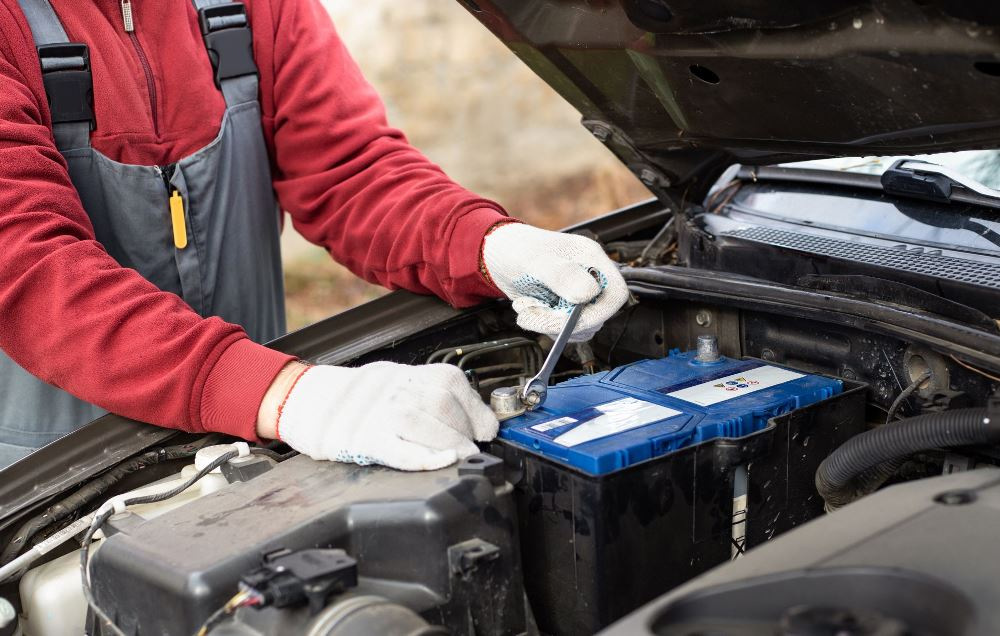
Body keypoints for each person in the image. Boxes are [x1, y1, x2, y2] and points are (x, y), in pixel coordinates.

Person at [0, 0, 628, 471]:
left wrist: (489, 247)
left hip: (261, 439)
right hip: (56, 483)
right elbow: (27, 265)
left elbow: (349, 171)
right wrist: (286, 394)